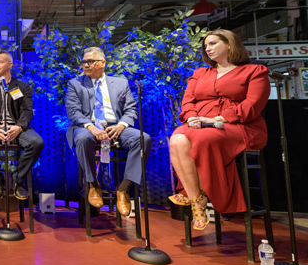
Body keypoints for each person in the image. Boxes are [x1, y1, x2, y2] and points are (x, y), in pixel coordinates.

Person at [169, 29, 269, 230]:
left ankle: (205, 196)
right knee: (177, 138)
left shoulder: (255, 71)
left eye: (213, 43)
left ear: (230, 44)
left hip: (238, 125)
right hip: (200, 124)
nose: (208, 48)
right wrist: (192, 119)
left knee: (206, 138)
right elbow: (188, 101)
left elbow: (252, 104)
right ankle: (197, 201)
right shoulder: (200, 73)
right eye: (206, 46)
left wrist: (217, 119)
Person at [65, 47, 151, 216]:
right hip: (87, 127)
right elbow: (73, 111)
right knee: (83, 138)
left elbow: (131, 110)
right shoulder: (75, 83)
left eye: (90, 61)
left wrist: (121, 125)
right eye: (84, 62)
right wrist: (92, 128)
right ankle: (93, 184)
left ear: (103, 63)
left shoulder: (121, 83)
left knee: (143, 139)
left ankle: (123, 189)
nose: (86, 65)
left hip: (115, 127)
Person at [0, 50, 44, 201]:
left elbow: (27, 111)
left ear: (10, 65)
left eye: (0, 62)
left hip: (16, 128)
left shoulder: (22, 87)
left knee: (36, 142)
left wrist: (19, 127)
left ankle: (17, 180)